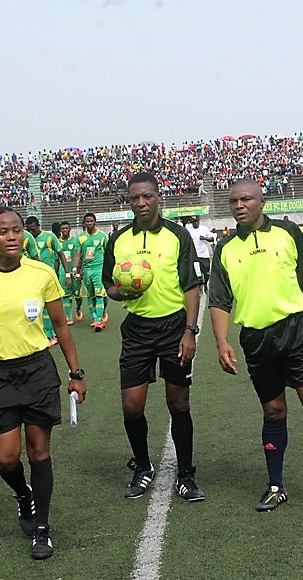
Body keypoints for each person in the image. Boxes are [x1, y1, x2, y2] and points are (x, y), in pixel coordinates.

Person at [209, 179, 303, 511]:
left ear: (262, 202)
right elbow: (219, 301)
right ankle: (276, 486)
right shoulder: (225, 248)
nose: (239, 205)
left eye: (246, 199)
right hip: (256, 340)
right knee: (274, 411)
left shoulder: (288, 232)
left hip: (297, 333)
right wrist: (221, 342)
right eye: (234, 201)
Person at [0, 207, 87, 560]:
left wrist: (76, 374)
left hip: (37, 371)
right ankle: (23, 494)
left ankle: (42, 529)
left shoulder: (41, 273)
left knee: (39, 452)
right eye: (3, 231)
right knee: (7, 460)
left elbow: (60, 326)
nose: (12, 236)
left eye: (17, 229)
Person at [102, 172, 205, 501]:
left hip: (174, 328)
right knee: (132, 407)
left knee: (178, 403)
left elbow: (192, 286)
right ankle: (143, 466)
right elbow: (109, 285)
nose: (141, 203)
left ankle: (186, 475)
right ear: (129, 201)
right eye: (135, 198)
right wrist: (123, 292)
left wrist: (190, 331)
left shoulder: (178, 235)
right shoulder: (118, 239)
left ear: (158, 197)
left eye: (147, 196)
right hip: (137, 330)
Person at [26, 215, 64, 344]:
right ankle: (47, 333)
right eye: (28, 229)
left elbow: (60, 254)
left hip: (48, 277)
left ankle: (52, 335)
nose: (30, 232)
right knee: (38, 307)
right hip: (33, 278)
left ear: (38, 226)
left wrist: (67, 273)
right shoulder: (27, 239)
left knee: (51, 307)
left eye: (32, 229)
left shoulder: (49, 236)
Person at [78, 212, 108, 330]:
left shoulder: (102, 236)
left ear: (95, 222)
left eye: (91, 221)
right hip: (87, 270)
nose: (89, 223)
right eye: (87, 221)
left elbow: (108, 253)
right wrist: (76, 269)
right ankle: (96, 317)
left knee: (100, 294)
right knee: (91, 296)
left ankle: (99, 319)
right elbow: (78, 255)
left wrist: (108, 269)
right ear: (84, 223)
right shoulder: (81, 237)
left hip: (99, 269)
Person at [55, 221, 81, 323]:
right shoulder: (57, 242)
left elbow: (79, 256)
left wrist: (78, 270)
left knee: (78, 295)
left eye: (66, 228)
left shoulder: (75, 240)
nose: (65, 230)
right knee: (65, 294)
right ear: (60, 230)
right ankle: (69, 317)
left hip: (74, 270)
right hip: (63, 271)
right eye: (63, 229)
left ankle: (78, 308)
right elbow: (57, 259)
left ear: (70, 229)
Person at [184, 216, 215, 291]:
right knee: (197, 273)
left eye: (196, 221)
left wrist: (205, 238)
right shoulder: (188, 230)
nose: (195, 223)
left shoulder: (204, 228)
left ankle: (205, 284)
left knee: (207, 273)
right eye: (193, 222)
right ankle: (200, 287)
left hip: (204, 255)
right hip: (194, 255)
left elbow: (212, 239)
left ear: (199, 221)